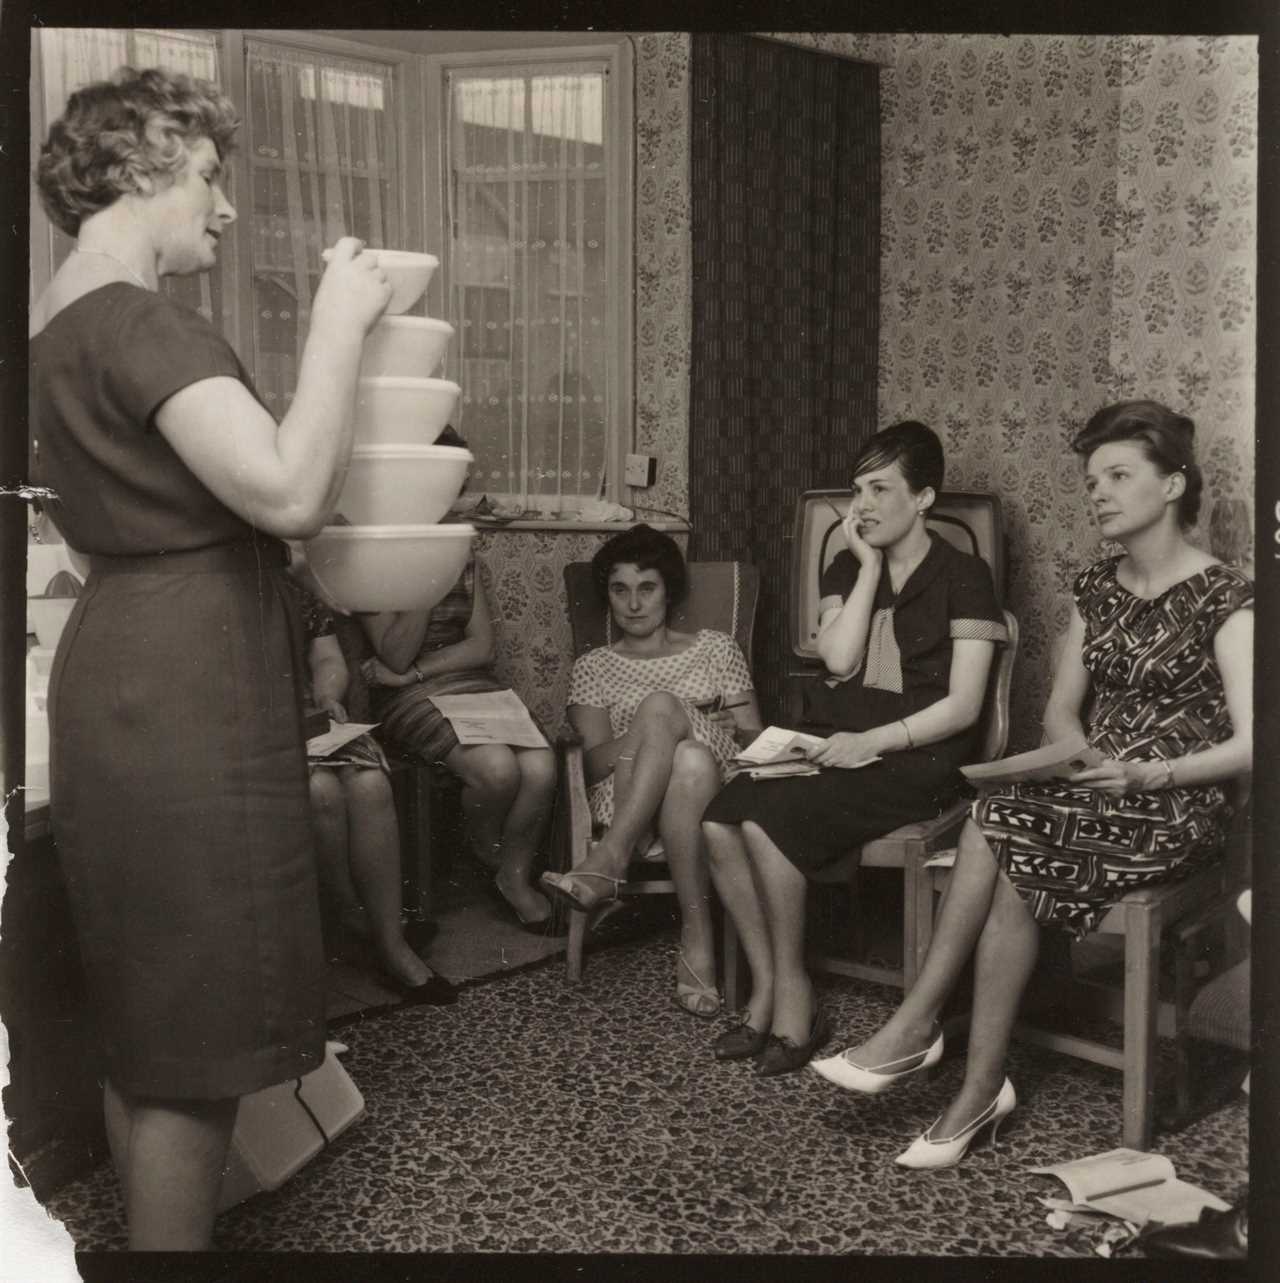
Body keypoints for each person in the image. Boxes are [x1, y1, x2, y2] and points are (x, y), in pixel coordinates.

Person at [30, 67, 391, 1249]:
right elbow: (288, 493)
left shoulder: (56, 321)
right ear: (140, 166)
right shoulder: (143, 321)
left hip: (126, 668)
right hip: (187, 682)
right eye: (210, 177)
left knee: (151, 1020)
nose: (225, 209)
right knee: (198, 1040)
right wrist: (338, 325)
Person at [815, 401, 1253, 1170]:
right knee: (1003, 821)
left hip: (1178, 803)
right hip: (1097, 791)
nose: (1099, 493)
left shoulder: (1229, 596)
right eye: (1091, 480)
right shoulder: (1096, 585)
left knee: (999, 829)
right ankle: (970, 1080)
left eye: (1119, 476)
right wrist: (1074, 760)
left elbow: (1255, 744)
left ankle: (925, 1037)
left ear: (1175, 484)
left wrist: (1154, 771)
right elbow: (1059, 706)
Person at [702, 422, 1005, 1075]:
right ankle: (770, 984)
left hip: (918, 754)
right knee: (721, 819)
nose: (862, 504)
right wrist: (869, 567)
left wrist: (873, 740)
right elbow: (838, 657)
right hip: (840, 740)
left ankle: (794, 999)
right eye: (857, 489)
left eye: (879, 488)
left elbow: (964, 706)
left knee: (767, 818)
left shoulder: (965, 575)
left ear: (923, 497)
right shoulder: (849, 563)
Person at [539, 525, 762, 1015]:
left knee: (676, 724)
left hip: (724, 781)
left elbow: (754, 740)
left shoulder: (715, 647)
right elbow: (593, 762)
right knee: (685, 756)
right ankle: (698, 939)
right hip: (628, 784)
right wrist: (654, 730)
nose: (633, 604)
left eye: (647, 588)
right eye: (620, 590)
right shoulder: (594, 666)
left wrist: (702, 720)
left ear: (668, 591)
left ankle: (610, 859)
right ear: (608, 596)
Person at [359, 434, 557, 931]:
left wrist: (420, 669)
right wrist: (429, 570)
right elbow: (393, 651)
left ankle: (512, 876)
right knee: (496, 771)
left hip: (456, 681)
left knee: (541, 766)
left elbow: (481, 647)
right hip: (404, 697)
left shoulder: (462, 550)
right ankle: (485, 850)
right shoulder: (371, 551)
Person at [284, 566, 455, 1005]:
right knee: (319, 792)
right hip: (252, 725)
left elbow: (327, 659)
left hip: (312, 718)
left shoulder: (295, 588)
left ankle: (390, 942)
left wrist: (327, 696)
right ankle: (355, 916)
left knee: (369, 783)